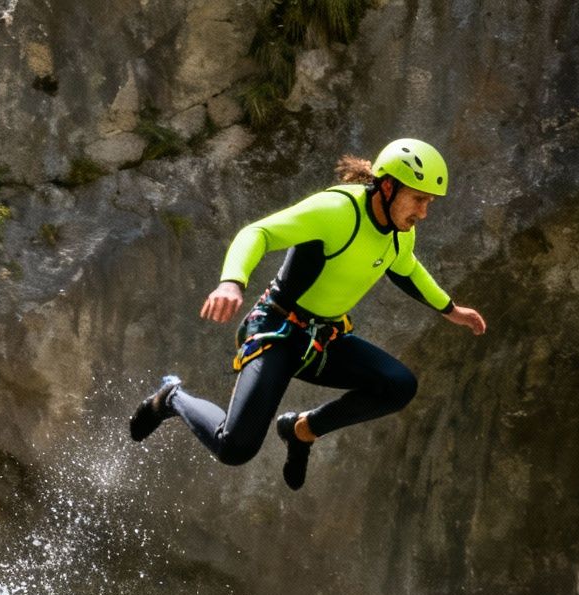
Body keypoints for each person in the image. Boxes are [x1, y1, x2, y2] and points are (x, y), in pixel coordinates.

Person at [130, 138, 486, 489]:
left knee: (399, 385)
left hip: (325, 340)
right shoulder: (335, 210)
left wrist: (450, 309)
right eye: (419, 199)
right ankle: (170, 397)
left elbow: (406, 269)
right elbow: (259, 233)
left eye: (429, 203)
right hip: (279, 331)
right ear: (389, 186)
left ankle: (301, 430)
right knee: (234, 448)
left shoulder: (399, 231)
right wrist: (232, 282)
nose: (423, 213)